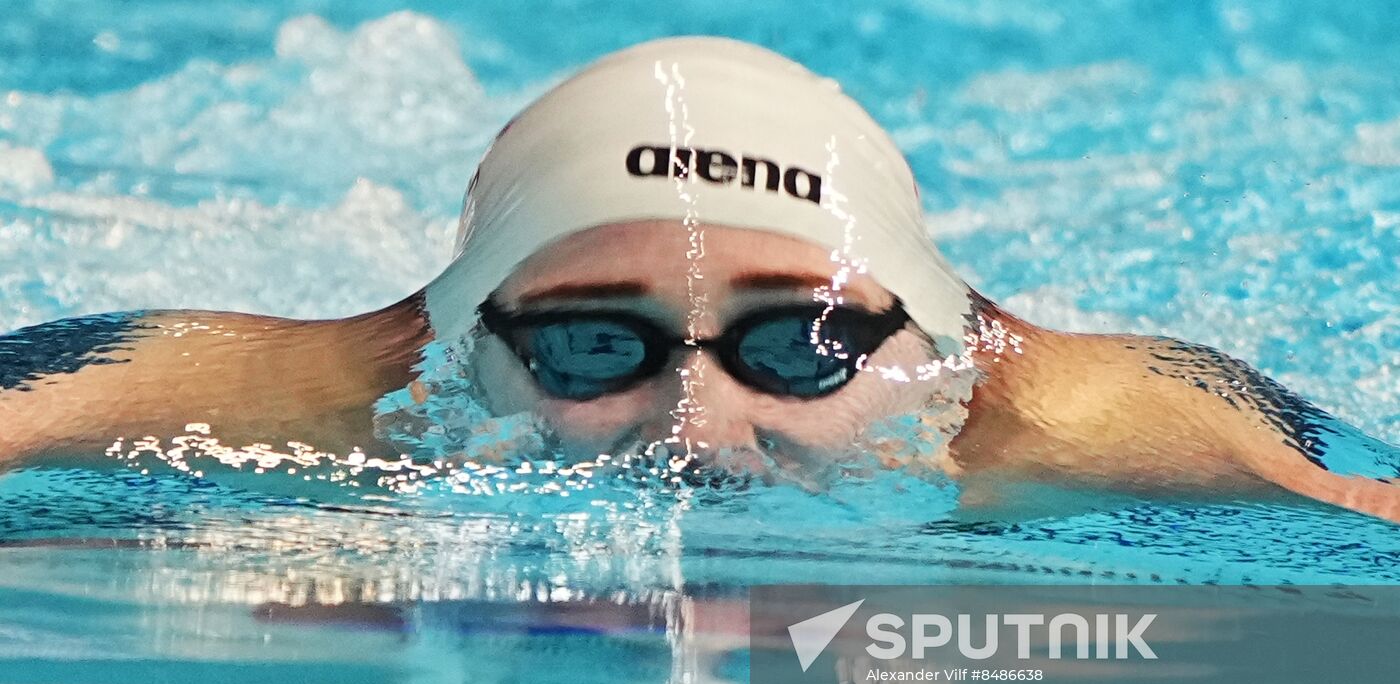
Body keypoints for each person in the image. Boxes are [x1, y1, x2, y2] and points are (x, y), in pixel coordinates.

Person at [0, 37, 1395, 523]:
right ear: (445, 348)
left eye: (800, 347)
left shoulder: (1077, 417)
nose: (698, 438)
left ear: (942, 345)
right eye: (596, 349)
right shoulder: (313, 398)